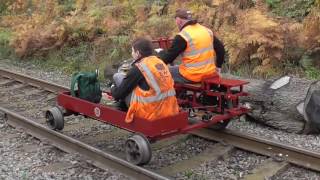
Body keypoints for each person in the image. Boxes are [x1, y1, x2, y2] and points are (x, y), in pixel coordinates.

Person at [111, 38, 180, 123]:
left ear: (138, 53)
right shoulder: (160, 62)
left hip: (150, 112)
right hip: (169, 110)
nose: (132, 53)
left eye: (132, 51)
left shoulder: (139, 67)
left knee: (118, 76)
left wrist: (113, 88)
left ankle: (122, 105)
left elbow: (118, 94)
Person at [159, 9, 226, 83]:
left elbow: (168, 58)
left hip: (192, 76)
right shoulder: (207, 31)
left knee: (162, 72)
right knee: (176, 67)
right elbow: (221, 49)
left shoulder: (183, 36)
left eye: (176, 21)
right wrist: (218, 67)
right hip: (209, 73)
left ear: (178, 21)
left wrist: (154, 63)